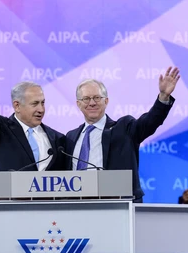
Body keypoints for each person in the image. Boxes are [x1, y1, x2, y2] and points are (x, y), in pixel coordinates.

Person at [65, 67, 180, 202]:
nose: (92, 103)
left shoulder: (124, 127)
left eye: (97, 98)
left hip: (118, 205)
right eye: (86, 99)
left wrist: (163, 97)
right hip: (78, 207)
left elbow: (149, 123)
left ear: (106, 101)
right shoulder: (70, 137)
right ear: (79, 104)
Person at [0, 60, 65, 171]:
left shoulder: (57, 138)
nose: (41, 109)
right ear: (17, 106)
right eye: (35, 104)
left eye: (42, 103)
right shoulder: (0, 129)